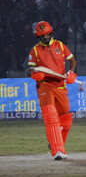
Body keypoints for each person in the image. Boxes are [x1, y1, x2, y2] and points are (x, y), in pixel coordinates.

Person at [28, 21, 77, 160]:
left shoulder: (60, 45)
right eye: (41, 35)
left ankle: (56, 143)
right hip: (44, 86)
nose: (44, 37)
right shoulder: (35, 50)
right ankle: (58, 150)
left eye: (46, 34)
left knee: (66, 120)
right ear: (38, 36)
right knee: (50, 117)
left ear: (51, 33)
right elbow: (30, 69)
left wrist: (71, 72)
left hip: (61, 86)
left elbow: (73, 60)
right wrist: (35, 74)